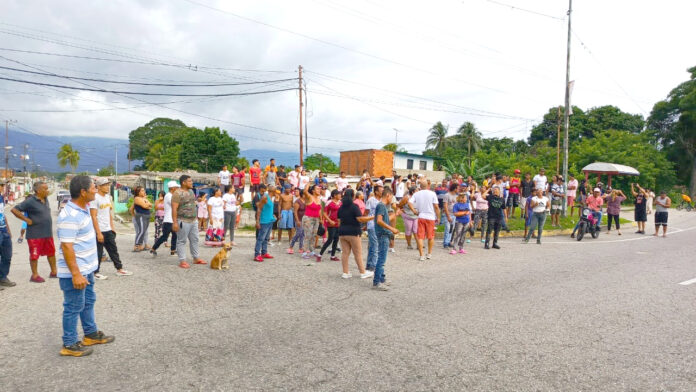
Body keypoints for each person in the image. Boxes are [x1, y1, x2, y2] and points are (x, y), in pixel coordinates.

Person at [56, 175, 115, 357]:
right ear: (83, 192)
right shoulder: (70, 215)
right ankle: (70, 343)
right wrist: (76, 274)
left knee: (88, 302)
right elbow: (67, 247)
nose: (95, 190)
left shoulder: (85, 208)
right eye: (93, 188)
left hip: (87, 269)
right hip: (76, 272)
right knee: (73, 307)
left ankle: (90, 334)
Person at [11, 181, 58, 283]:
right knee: (34, 255)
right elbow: (14, 210)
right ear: (38, 190)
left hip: (47, 233)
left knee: (51, 253)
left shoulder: (45, 199)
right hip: (35, 234)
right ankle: (35, 275)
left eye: (47, 188)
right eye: (45, 189)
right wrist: (26, 219)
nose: (47, 190)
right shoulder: (30, 201)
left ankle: (54, 272)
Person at [87, 178, 132, 280]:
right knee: (98, 252)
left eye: (108, 184)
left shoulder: (108, 197)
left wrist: (112, 227)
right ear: (98, 186)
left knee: (113, 250)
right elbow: (93, 216)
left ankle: (119, 269)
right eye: (105, 185)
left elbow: (109, 213)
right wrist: (98, 233)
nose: (107, 186)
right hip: (99, 230)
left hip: (108, 229)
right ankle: (95, 272)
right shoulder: (95, 198)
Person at [171, 175, 206, 268]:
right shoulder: (177, 194)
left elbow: (192, 202)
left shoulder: (191, 191)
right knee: (181, 241)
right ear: (184, 182)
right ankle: (182, 260)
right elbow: (174, 209)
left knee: (195, 239)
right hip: (183, 220)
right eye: (190, 181)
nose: (192, 183)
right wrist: (175, 223)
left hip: (193, 220)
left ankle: (196, 258)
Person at [373, 188, 399, 291]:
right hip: (383, 234)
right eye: (392, 196)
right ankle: (377, 282)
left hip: (384, 234)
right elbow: (379, 221)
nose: (392, 199)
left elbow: (385, 219)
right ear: (388, 195)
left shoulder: (382, 206)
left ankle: (382, 279)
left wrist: (395, 214)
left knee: (382, 258)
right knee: (381, 259)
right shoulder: (381, 206)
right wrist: (391, 228)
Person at [411, 181, 440, 261]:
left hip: (421, 216)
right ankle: (429, 253)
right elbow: (436, 207)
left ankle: (421, 255)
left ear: (420, 186)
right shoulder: (432, 193)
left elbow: (410, 202)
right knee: (431, 236)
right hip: (430, 217)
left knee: (420, 236)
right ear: (428, 186)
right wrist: (438, 217)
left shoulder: (416, 194)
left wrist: (414, 210)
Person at [150, 181, 179, 257]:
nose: (177, 188)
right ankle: (153, 248)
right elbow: (175, 204)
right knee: (164, 237)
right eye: (176, 187)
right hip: (168, 220)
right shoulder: (169, 196)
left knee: (175, 235)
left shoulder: (171, 195)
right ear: (172, 188)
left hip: (172, 219)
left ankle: (173, 251)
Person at [254, 184, 276, 262]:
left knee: (266, 238)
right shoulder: (265, 197)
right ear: (271, 191)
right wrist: (257, 221)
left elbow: (268, 209)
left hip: (270, 220)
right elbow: (259, 209)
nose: (276, 192)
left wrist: (272, 215)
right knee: (261, 238)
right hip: (264, 221)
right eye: (275, 190)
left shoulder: (271, 198)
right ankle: (257, 254)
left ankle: (264, 252)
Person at [318, 189, 342, 262]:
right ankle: (320, 254)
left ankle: (333, 255)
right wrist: (329, 220)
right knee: (330, 239)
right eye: (339, 194)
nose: (340, 196)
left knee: (336, 239)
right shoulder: (329, 202)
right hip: (331, 223)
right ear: (334, 195)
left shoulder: (340, 203)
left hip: (338, 223)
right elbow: (324, 213)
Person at [364, 184, 383, 270]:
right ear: (376, 192)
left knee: (372, 246)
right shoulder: (371, 200)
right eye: (381, 190)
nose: (382, 192)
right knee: (375, 246)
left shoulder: (382, 201)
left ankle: (369, 264)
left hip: (379, 225)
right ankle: (373, 265)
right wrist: (365, 223)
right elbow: (366, 212)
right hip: (372, 225)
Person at [0, 181, 14, 289]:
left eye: (2, 185)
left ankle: (3, 278)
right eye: (1, 186)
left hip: (4, 231)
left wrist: (8, 229)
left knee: (7, 256)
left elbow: (2, 214)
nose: (2, 187)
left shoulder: (1, 198)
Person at [131, 186, 152, 252]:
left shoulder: (143, 198)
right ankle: (136, 245)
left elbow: (150, 205)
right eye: (142, 190)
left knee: (144, 231)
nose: (144, 192)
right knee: (141, 231)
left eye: (144, 190)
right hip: (141, 216)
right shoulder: (137, 198)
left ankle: (141, 245)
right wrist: (147, 204)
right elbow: (145, 206)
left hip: (146, 215)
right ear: (138, 192)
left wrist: (146, 203)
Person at [288, 190, 306, 254]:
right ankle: (291, 246)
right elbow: (295, 212)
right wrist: (297, 220)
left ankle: (301, 247)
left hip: (304, 220)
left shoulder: (306, 201)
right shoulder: (297, 202)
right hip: (298, 219)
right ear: (302, 195)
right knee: (298, 233)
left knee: (302, 234)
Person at [442, 183, 458, 249]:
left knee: (451, 229)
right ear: (454, 188)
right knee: (447, 229)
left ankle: (449, 242)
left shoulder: (456, 196)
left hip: (454, 214)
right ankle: (445, 243)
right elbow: (445, 206)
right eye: (458, 188)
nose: (458, 189)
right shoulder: (447, 195)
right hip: (448, 214)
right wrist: (448, 216)